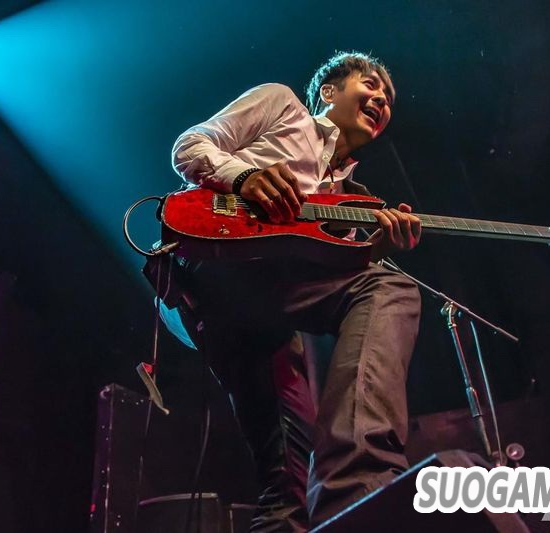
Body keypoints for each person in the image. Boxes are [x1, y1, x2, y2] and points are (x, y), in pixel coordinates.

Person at [169, 51, 422, 530]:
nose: (381, 100)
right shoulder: (283, 105)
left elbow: (332, 276)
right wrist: (245, 177)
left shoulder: (353, 198)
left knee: (289, 488)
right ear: (329, 92)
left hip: (267, 312)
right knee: (391, 289)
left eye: (388, 98)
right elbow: (190, 145)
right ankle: (360, 481)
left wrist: (375, 249)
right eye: (370, 85)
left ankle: (336, 497)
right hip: (220, 263)